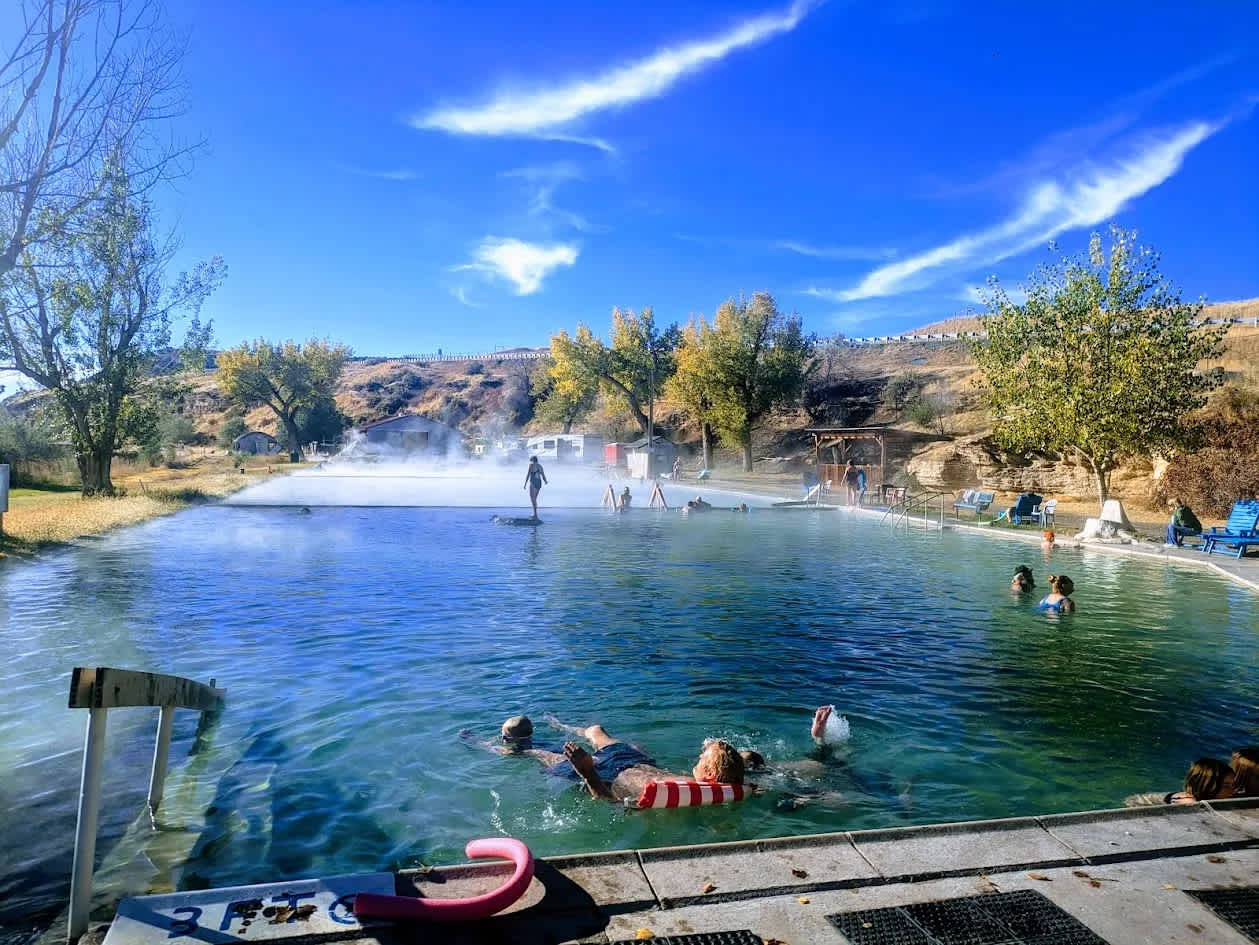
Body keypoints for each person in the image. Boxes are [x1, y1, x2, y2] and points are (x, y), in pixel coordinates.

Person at [1125, 757, 1237, 807]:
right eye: (1226, 785)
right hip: (1137, 802)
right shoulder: (1190, 802)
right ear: (1207, 786)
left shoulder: (1206, 797)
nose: (1233, 789)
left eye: (1233, 784)